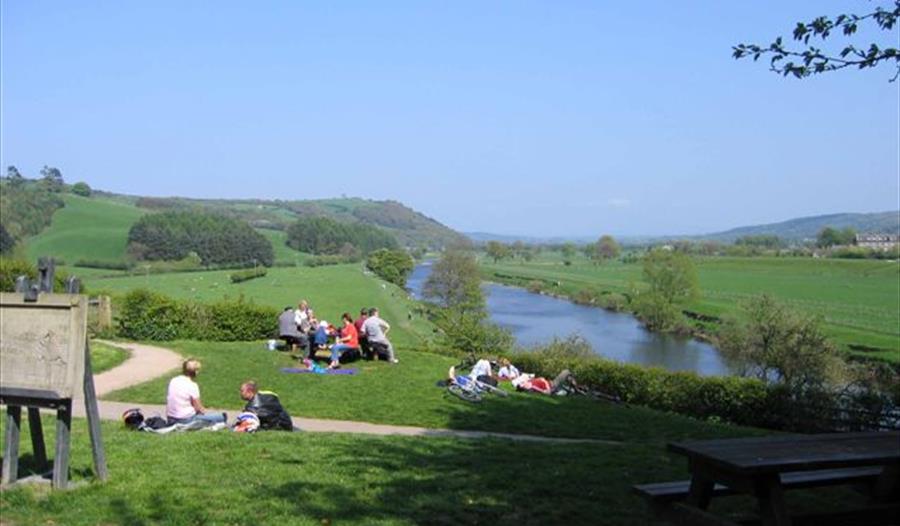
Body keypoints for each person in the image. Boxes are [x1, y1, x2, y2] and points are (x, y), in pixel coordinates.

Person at [166, 358, 226, 426]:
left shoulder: (173, 380)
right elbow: (198, 408)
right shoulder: (192, 385)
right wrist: (205, 412)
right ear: (195, 371)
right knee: (220, 417)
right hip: (185, 420)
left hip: (171, 418)